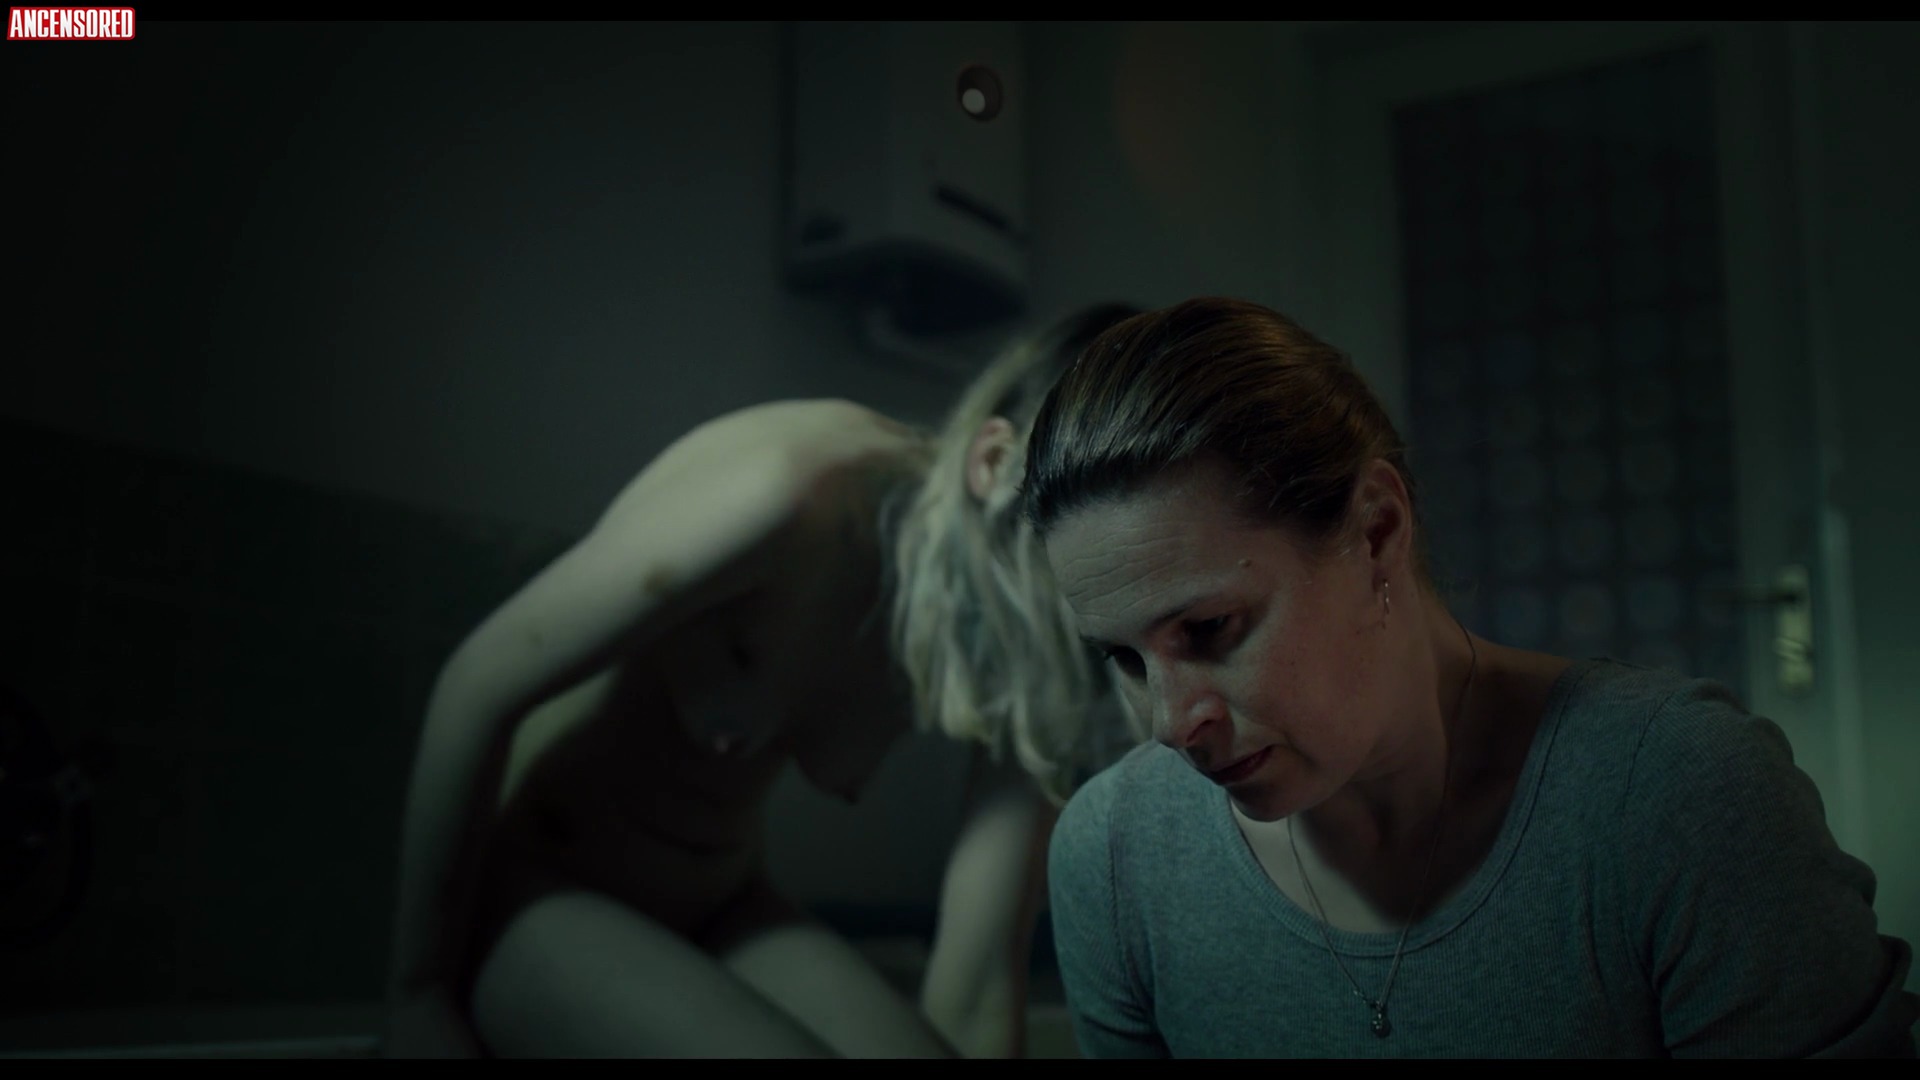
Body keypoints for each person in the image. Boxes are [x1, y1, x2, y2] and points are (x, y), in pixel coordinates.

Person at [1021, 296, 1920, 1058]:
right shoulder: (1115, 856)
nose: (1170, 723)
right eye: (1125, 658)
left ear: (1376, 532)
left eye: (1211, 629)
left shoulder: (1680, 802)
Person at [382, 302, 1146, 1059]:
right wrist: (418, 996)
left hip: (725, 904)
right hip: (538, 887)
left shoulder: (1042, 644)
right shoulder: (796, 493)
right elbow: (479, 684)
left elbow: (977, 984)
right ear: (993, 464)